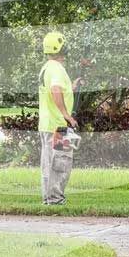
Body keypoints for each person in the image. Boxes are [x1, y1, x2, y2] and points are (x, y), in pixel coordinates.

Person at [38, 32, 78, 205]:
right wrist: (66, 115)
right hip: (59, 126)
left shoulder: (47, 67)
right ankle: (55, 199)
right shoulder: (56, 68)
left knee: (49, 164)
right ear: (60, 48)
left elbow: (57, 89)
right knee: (61, 163)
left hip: (47, 124)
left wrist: (71, 87)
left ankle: (49, 199)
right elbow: (55, 89)